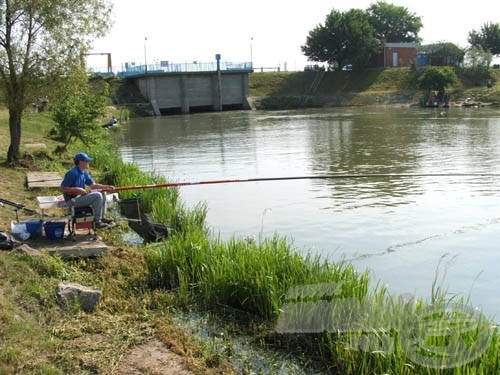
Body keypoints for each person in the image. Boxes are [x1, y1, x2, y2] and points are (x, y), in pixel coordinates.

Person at [60, 152, 115, 229]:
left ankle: (102, 218)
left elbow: (93, 185)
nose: (88, 162)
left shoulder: (84, 172)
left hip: (79, 197)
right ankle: (97, 222)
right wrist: (77, 189)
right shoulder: (72, 173)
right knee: (97, 196)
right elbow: (62, 189)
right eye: (87, 161)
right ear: (81, 162)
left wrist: (107, 186)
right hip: (71, 201)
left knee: (102, 192)